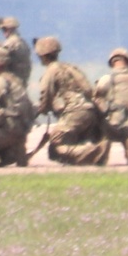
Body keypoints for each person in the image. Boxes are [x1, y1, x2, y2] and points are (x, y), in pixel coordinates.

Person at [34, 36, 109, 165]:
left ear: (42, 55)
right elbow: (88, 88)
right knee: (76, 142)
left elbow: (45, 95)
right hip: (90, 111)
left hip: (74, 112)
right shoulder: (70, 68)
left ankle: (93, 151)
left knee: (56, 147)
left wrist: (39, 111)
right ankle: (90, 154)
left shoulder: (51, 71)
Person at [93, 48, 128, 165]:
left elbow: (96, 96)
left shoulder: (107, 79)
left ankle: (99, 158)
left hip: (114, 125)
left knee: (99, 129)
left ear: (113, 62)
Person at [0, 17, 32, 86]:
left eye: (4, 29)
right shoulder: (24, 43)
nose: (3, 32)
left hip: (12, 82)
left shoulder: (9, 43)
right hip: (23, 81)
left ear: (9, 29)